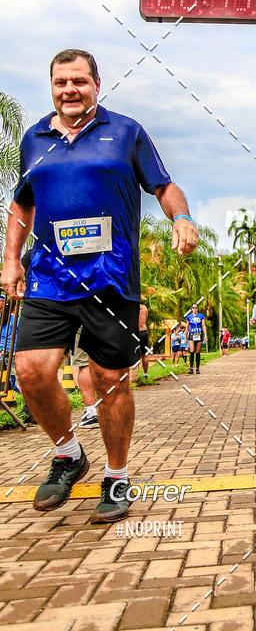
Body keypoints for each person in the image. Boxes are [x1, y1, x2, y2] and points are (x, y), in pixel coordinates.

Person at [0, 49, 198, 524]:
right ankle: (68, 454)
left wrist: (182, 217)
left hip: (111, 279)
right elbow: (22, 206)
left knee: (111, 381)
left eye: (79, 82)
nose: (70, 90)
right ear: (51, 86)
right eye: (61, 82)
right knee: (31, 370)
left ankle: (116, 475)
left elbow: (164, 186)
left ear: (96, 84)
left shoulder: (125, 131)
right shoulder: (34, 140)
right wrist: (10, 258)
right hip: (48, 275)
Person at [71, 330, 99, 429]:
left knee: (83, 364)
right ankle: (112, 411)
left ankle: (91, 414)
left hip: (83, 321)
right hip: (107, 321)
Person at [185, 304, 207, 374]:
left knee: (197, 351)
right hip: (191, 334)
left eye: (196, 308)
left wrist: (205, 335)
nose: (195, 309)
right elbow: (187, 327)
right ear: (192, 309)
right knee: (191, 350)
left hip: (199, 334)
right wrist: (185, 338)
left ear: (197, 309)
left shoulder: (201, 316)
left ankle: (197, 368)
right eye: (193, 308)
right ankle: (191, 368)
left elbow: (203, 326)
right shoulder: (189, 317)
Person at [138, 303, 151, 382]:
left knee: (134, 354)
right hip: (144, 332)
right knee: (144, 354)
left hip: (135, 332)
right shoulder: (144, 307)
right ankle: (145, 373)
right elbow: (145, 319)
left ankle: (134, 375)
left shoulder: (131, 307)